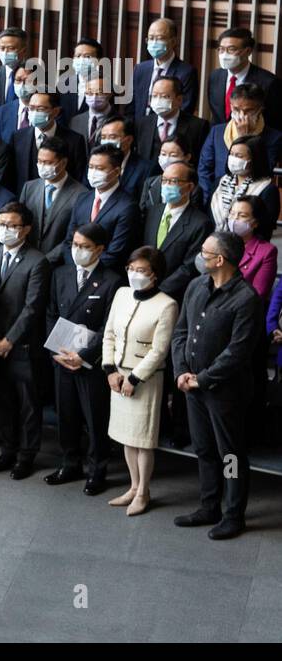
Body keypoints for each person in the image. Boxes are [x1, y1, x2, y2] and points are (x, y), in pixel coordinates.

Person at [171, 230, 264, 539]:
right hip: (192, 385)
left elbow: (238, 352)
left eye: (205, 253)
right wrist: (181, 371)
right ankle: (208, 505)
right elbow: (181, 331)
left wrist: (203, 379)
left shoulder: (245, 299)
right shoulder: (196, 286)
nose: (200, 257)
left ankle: (233, 513)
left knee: (230, 456)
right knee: (204, 448)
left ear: (220, 260)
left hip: (224, 391)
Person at [44, 223, 123, 494]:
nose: (78, 250)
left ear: (99, 249)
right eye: (75, 245)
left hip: (90, 362)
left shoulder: (112, 280)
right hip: (62, 357)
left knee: (94, 418)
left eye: (85, 247)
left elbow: (109, 326)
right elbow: (51, 313)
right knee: (66, 415)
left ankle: (97, 469)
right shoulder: (60, 274)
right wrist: (57, 349)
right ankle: (70, 463)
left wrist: (84, 354)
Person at [101, 247, 178, 517]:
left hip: (144, 379)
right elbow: (109, 332)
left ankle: (144, 491)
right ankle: (132, 487)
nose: (135, 275)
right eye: (131, 269)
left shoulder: (167, 304)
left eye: (141, 271)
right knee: (126, 437)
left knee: (143, 439)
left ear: (155, 274)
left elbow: (159, 350)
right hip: (118, 374)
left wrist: (134, 378)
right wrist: (110, 369)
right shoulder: (122, 294)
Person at [0, 202, 48, 478]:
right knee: (3, 400)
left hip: (21, 345)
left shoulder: (37, 261)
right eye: (1, 224)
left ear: (26, 229)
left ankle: (27, 455)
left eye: (11, 225)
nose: (5, 230)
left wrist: (9, 339)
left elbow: (33, 307)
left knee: (28, 404)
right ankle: (8, 450)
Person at [142, 161, 213, 301]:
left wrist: (159, 289)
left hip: (172, 295)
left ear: (189, 187)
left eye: (173, 181)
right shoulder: (152, 212)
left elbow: (189, 267)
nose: (167, 185)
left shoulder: (200, 223)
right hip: (143, 286)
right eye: (164, 180)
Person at [198, 82, 282, 200]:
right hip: (216, 201)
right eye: (236, 109)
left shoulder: (274, 138)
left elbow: (264, 172)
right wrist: (209, 201)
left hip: (250, 202)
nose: (241, 115)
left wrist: (245, 138)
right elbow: (204, 171)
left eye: (248, 111)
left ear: (259, 110)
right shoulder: (217, 132)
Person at [64, 145, 138, 268]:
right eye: (91, 167)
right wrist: (76, 268)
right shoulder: (83, 198)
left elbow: (115, 252)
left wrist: (89, 269)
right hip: (75, 271)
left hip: (104, 276)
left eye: (99, 168)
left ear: (116, 172)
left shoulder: (128, 206)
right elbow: (68, 241)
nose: (93, 172)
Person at [22, 135, 86, 263]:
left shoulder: (81, 194)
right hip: (27, 261)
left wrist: (47, 260)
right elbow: (21, 223)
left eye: (48, 162)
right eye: (40, 161)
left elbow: (74, 235)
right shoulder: (29, 187)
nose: (42, 166)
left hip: (58, 263)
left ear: (63, 163)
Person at [207, 27, 282, 128]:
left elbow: (274, 123)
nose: (224, 55)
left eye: (231, 49)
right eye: (221, 49)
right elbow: (216, 116)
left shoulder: (269, 82)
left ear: (247, 51)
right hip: (219, 139)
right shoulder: (215, 77)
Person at [207, 133, 281, 231]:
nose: (233, 159)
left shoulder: (267, 190)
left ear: (254, 159)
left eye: (239, 156)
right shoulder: (219, 182)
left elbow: (266, 227)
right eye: (231, 154)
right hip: (214, 241)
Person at [130, 18, 198, 119]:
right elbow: (131, 107)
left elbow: (185, 109)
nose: (154, 42)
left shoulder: (187, 73)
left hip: (169, 129)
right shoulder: (140, 69)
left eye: (160, 38)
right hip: (139, 129)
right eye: (151, 38)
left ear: (173, 41)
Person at [134, 75, 209, 162]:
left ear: (179, 100)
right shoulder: (141, 124)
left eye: (165, 96)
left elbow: (201, 161)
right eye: (154, 96)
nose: (158, 101)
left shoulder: (198, 126)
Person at [227, 195, 278, 298]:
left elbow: (258, 294)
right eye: (232, 214)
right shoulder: (220, 242)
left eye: (242, 215)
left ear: (255, 223)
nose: (234, 219)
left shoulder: (267, 252)